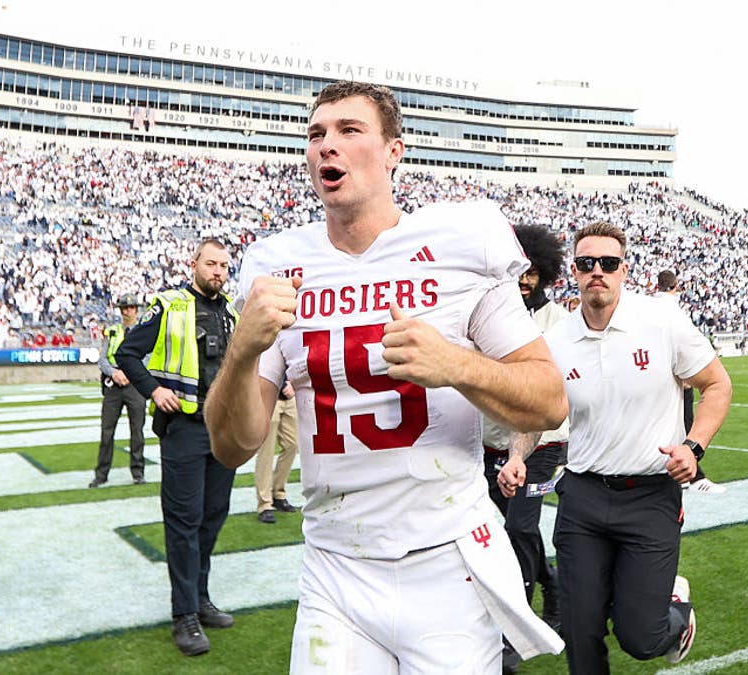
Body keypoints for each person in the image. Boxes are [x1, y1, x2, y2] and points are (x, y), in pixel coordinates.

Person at [205, 81, 568, 673]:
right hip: (334, 563)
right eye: (316, 134)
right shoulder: (278, 265)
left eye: (349, 130)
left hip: (447, 558)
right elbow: (232, 446)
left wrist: (455, 365)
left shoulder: (459, 243)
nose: (327, 145)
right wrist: (243, 352)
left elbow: (549, 401)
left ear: (394, 151)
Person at [541, 222, 732, 673]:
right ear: (574, 271)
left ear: (624, 270)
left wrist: (693, 447)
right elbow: (541, 411)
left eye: (608, 263)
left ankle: (675, 612)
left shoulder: (661, 320)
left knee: (641, 637)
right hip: (583, 494)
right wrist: (515, 455)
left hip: (649, 497)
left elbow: (717, 385)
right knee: (579, 627)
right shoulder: (556, 341)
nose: (598, 271)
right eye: (587, 263)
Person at [114, 238, 238, 657]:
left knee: (213, 516)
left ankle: (200, 598)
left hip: (222, 427)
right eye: (211, 263)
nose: (218, 271)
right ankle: (184, 614)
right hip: (184, 427)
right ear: (194, 263)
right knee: (184, 521)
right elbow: (127, 353)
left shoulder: (232, 312)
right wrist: (153, 390)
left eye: (224, 265)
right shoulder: (168, 305)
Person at [485, 224, 568, 672]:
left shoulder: (557, 323)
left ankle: (515, 629)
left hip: (542, 444)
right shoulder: (489, 316)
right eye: (518, 270)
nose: (525, 279)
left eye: (533, 271)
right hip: (491, 443)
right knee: (513, 531)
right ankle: (553, 586)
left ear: (545, 274)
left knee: (518, 529)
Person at [655, 270, 726, 494]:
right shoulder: (672, 309)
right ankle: (692, 476)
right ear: (676, 286)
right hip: (675, 377)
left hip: (656, 376)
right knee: (685, 427)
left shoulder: (651, 305)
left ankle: (690, 476)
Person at [90, 292, 147, 487]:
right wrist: (114, 373)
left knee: (137, 432)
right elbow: (102, 359)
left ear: (136, 310)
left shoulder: (144, 331)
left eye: (131, 308)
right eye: (125, 308)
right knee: (107, 432)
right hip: (113, 385)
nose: (128, 311)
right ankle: (101, 474)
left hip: (135, 385)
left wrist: (130, 373)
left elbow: (148, 358)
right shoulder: (112, 331)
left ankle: (138, 472)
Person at [254, 379, 297, 524]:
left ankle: (278, 493)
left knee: (292, 445)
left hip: (290, 396)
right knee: (266, 451)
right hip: (268, 395)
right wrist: (283, 384)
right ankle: (264, 504)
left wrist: (293, 383)